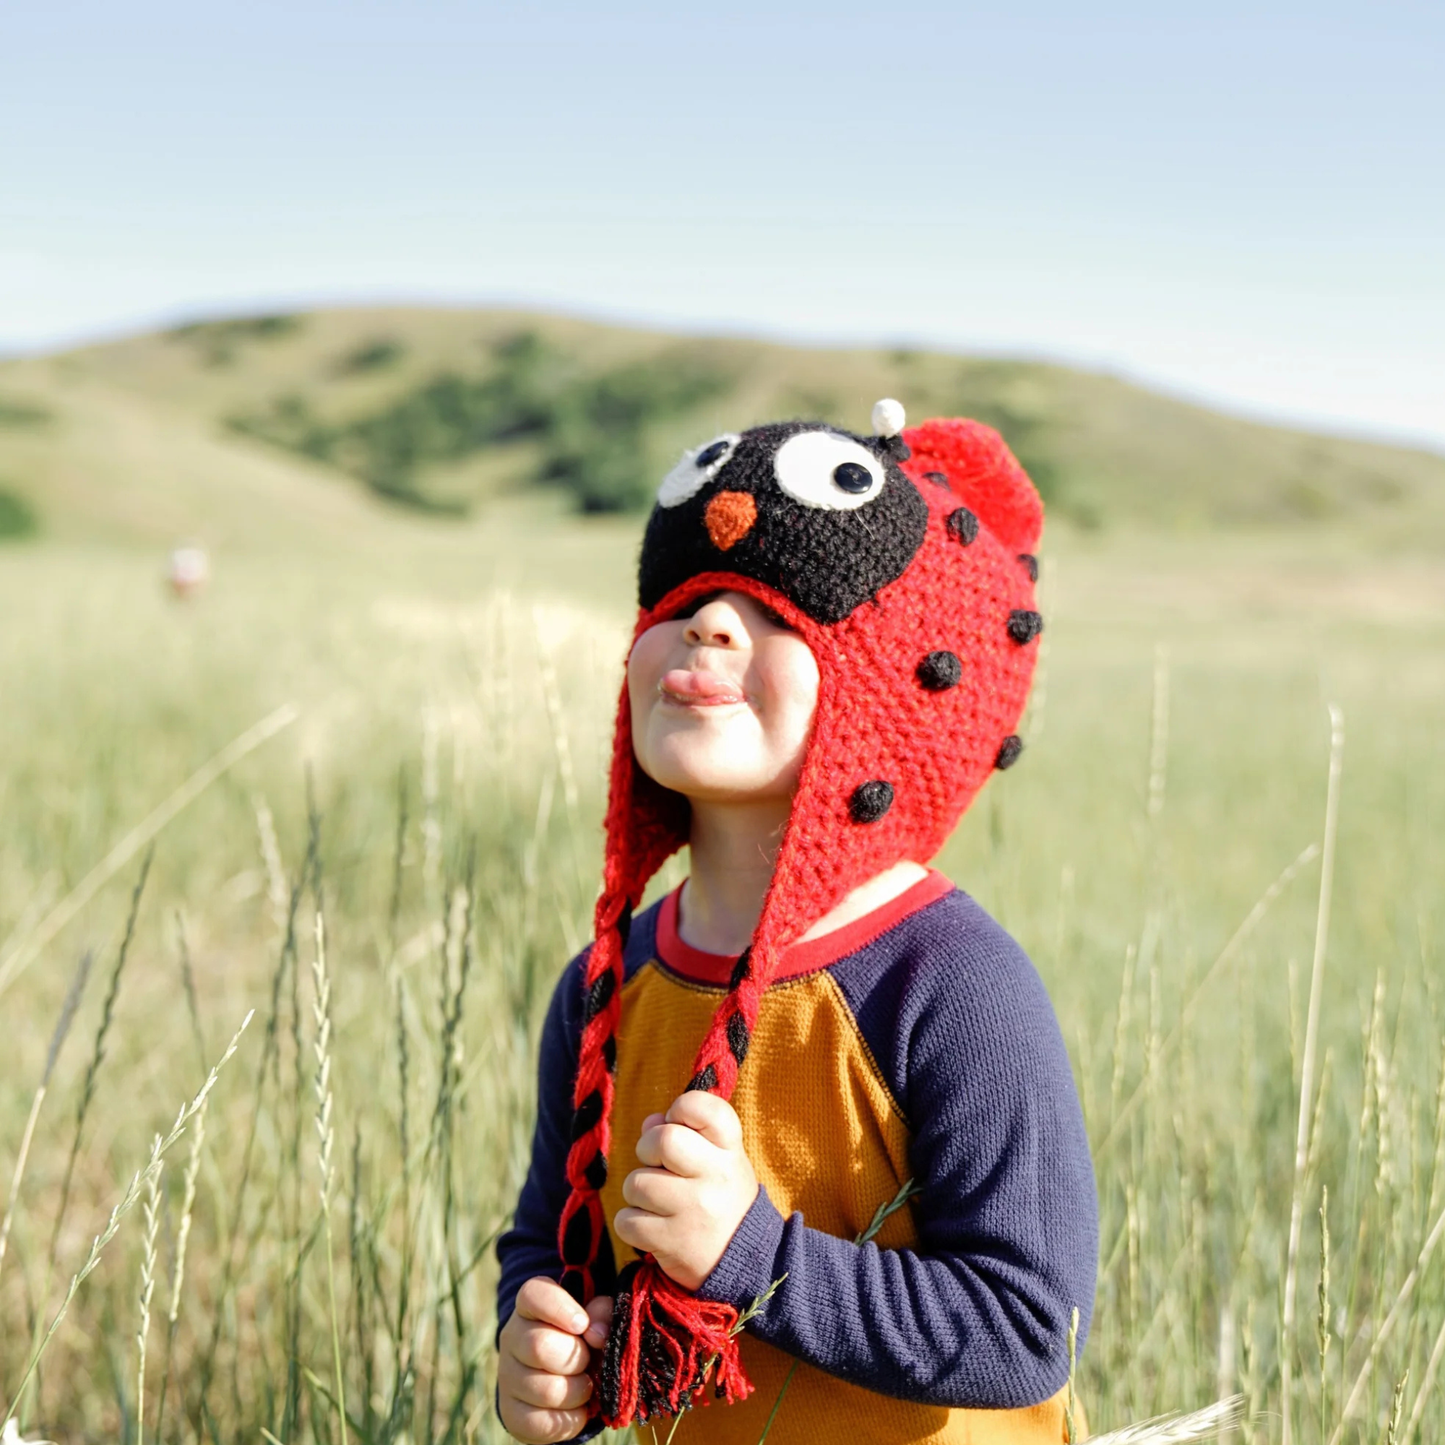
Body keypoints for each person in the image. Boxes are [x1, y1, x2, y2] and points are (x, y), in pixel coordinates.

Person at [496, 402, 1097, 1444]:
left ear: (896, 685)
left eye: (780, 611)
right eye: (684, 597)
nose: (711, 623)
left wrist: (750, 1253)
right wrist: (544, 1345)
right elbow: (550, 1239)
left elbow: (1025, 1324)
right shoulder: (604, 986)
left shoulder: (949, 983)